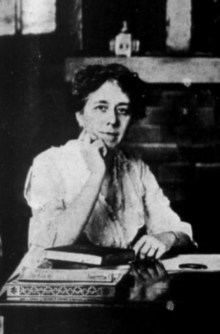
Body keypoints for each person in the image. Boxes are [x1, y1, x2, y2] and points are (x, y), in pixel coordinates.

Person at [21, 63, 195, 268]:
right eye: (100, 108)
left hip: (115, 287)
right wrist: (96, 175)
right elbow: (51, 245)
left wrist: (166, 238)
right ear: (80, 116)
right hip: (52, 291)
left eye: (122, 110)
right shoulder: (50, 163)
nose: (112, 120)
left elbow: (179, 231)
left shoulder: (135, 168)